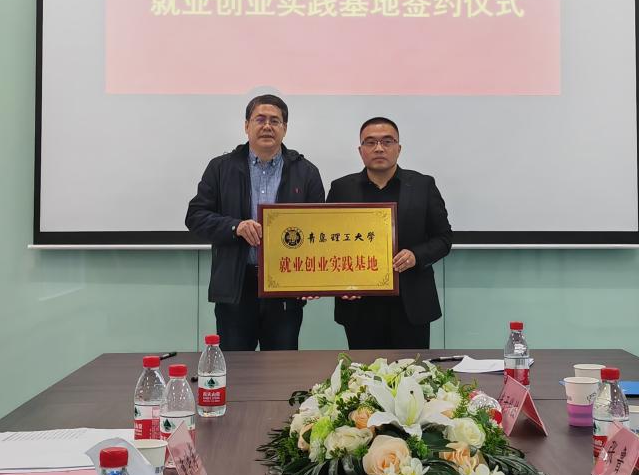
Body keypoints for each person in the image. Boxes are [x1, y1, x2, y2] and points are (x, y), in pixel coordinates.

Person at [186, 94, 324, 351]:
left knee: (282, 367)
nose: (267, 126)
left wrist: (312, 279)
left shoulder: (306, 172)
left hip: (285, 288)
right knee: (237, 367)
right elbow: (195, 216)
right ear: (246, 125)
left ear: (285, 128)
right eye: (260, 119)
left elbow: (319, 231)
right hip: (237, 286)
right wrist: (235, 227)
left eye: (275, 120)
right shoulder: (220, 168)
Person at [328, 117, 452, 349]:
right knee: (364, 370)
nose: (379, 148)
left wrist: (416, 255)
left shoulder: (423, 185)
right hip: (360, 304)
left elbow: (444, 238)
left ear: (398, 148)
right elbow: (329, 244)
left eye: (387, 141)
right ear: (360, 150)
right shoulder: (341, 188)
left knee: (411, 369)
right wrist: (341, 283)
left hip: (411, 302)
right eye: (370, 142)